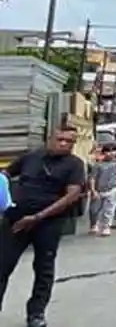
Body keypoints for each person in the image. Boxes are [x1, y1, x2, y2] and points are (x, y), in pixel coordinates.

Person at [0, 127, 87, 327]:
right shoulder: (31, 157)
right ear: (50, 139)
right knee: (2, 266)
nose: (64, 144)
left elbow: (71, 196)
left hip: (48, 224)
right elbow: (5, 175)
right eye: (60, 139)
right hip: (16, 221)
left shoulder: (74, 165)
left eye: (69, 141)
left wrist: (38, 217)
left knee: (43, 269)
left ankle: (36, 314)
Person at [87, 143, 116, 236]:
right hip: (98, 190)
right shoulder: (98, 165)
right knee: (94, 210)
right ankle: (94, 224)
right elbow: (92, 178)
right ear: (104, 152)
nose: (111, 153)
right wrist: (93, 190)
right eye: (108, 151)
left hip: (112, 189)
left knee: (109, 210)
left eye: (113, 150)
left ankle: (106, 227)